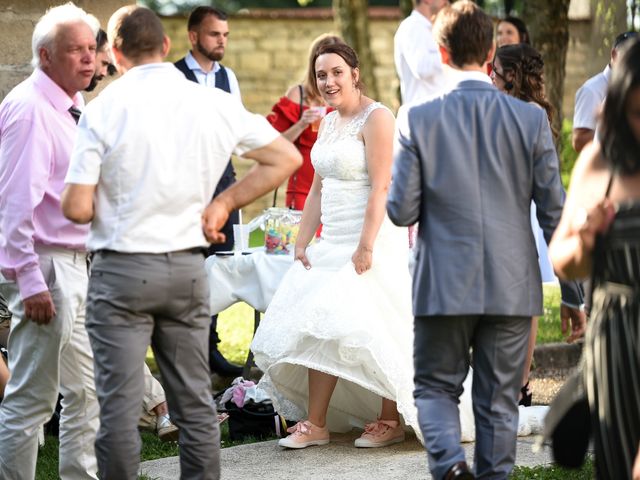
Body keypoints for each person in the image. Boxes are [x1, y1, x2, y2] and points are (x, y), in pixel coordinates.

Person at [61, 5, 300, 479]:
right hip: (187, 268)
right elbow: (284, 156)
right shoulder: (210, 102)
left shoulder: (103, 109)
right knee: (193, 404)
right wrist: (222, 205)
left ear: (116, 53)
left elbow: (76, 208)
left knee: (119, 408)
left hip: (121, 271)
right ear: (167, 46)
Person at [387, 3, 584, 479]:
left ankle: (452, 466)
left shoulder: (417, 118)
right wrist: (574, 293)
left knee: (435, 389)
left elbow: (400, 210)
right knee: (498, 402)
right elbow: (556, 214)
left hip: (442, 283)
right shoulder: (532, 121)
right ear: (492, 51)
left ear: (441, 52)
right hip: (511, 283)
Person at [252, 41, 423, 450]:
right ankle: (317, 424)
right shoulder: (328, 123)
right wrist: (303, 239)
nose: (328, 81)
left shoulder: (378, 118)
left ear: (355, 73)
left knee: (378, 326)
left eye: (336, 73)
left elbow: (382, 185)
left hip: (372, 237)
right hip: (332, 241)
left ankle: (390, 419)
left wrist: (366, 246)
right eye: (321, 75)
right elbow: (316, 189)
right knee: (319, 326)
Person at [0, 4, 100, 478]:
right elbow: (14, 203)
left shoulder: (72, 107)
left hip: (74, 264)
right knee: (31, 399)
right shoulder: (31, 110)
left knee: (87, 389)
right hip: (45, 269)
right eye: (74, 50)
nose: (88, 59)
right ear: (45, 55)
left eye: (91, 48)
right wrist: (28, 279)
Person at [548, 37, 640, 480]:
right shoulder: (599, 163)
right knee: (620, 463)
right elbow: (564, 262)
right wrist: (585, 240)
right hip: (618, 337)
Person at [491, 43, 566, 407]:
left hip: (524, 215)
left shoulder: (530, 112)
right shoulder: (493, 108)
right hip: (509, 214)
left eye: (495, 71)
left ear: (512, 75)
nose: (489, 77)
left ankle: (520, 381)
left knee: (525, 302)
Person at [174, 6, 244, 378]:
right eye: (215, 34)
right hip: (184, 185)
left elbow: (235, 124)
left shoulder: (228, 77)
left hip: (221, 181)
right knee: (187, 265)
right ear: (193, 36)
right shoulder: (172, 76)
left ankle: (210, 347)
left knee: (217, 265)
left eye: (225, 35)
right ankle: (187, 350)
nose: (222, 41)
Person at [266, 34, 342, 211]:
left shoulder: (344, 99)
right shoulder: (298, 95)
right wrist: (301, 124)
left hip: (336, 190)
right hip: (302, 191)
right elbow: (275, 144)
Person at [572, 31, 638, 153]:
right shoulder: (591, 90)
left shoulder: (633, 91)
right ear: (614, 55)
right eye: (630, 56)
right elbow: (578, 142)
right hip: (605, 168)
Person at [394, 0, 450, 105]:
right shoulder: (411, 27)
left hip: (439, 113)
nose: (447, 1)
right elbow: (421, 68)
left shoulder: (434, 28)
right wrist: (454, 53)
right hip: (421, 116)